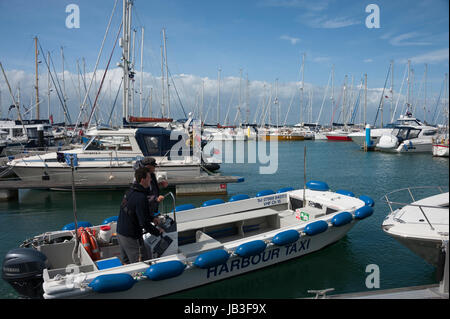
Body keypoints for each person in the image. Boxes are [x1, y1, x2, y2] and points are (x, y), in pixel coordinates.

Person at [117, 167, 163, 264]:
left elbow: (134, 211)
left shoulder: (130, 191)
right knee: (142, 263)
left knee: (126, 262)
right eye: (149, 177)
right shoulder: (140, 197)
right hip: (131, 236)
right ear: (143, 179)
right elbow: (144, 223)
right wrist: (157, 232)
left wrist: (152, 218)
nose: (150, 180)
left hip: (120, 232)